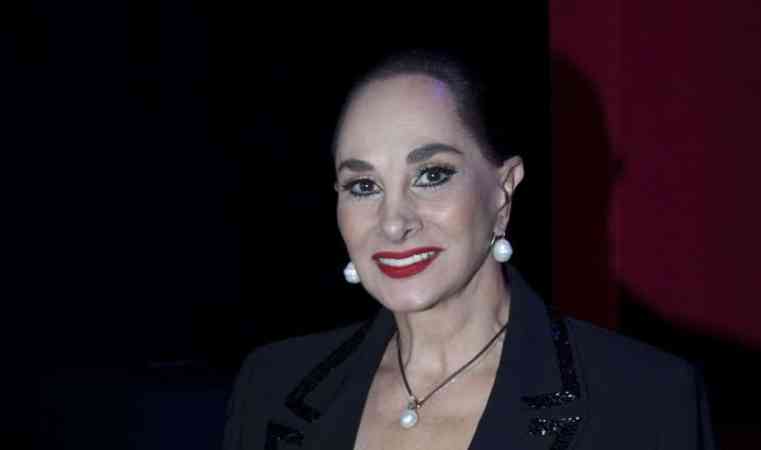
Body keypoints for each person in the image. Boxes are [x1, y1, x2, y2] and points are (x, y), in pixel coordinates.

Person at [222, 50, 716, 450]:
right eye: (364, 186)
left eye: (431, 175)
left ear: (503, 190)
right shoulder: (271, 386)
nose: (393, 222)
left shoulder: (643, 399)